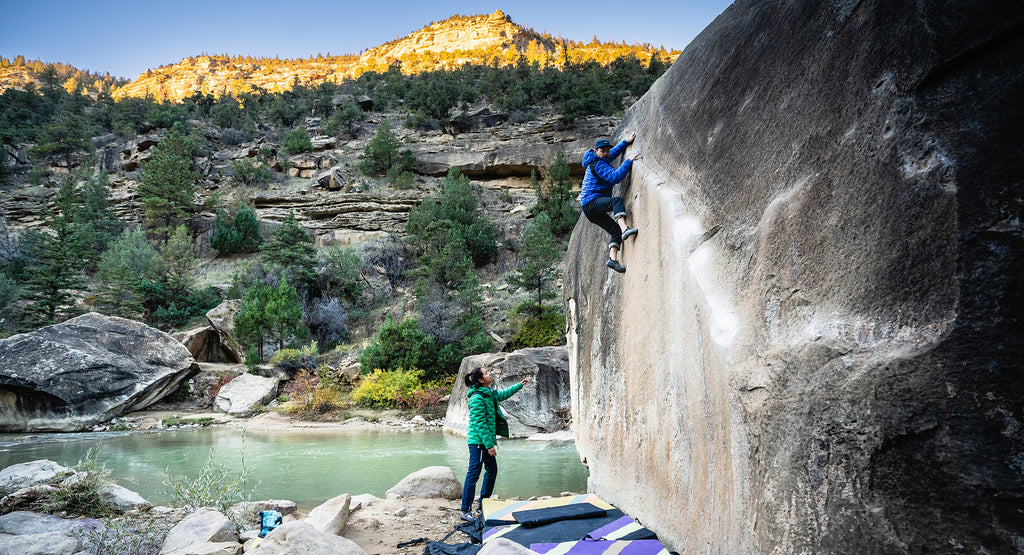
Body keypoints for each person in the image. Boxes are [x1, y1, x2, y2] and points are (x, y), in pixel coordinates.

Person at [459, 367, 529, 520]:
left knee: (492, 470)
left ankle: (484, 503)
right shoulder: (477, 398)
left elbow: (503, 394)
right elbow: (480, 424)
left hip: (485, 440)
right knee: (474, 474)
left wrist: (519, 385)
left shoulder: (489, 393)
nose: (489, 373)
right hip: (478, 442)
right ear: (480, 380)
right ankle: (465, 511)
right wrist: (490, 446)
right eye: (486, 373)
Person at [579, 132, 642, 273]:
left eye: (607, 150)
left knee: (614, 231)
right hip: (591, 202)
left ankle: (612, 260)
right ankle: (625, 229)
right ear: (596, 151)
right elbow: (615, 177)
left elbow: (612, 153)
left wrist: (625, 142)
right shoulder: (598, 164)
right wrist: (629, 161)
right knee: (616, 201)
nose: (606, 153)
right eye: (603, 151)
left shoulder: (600, 158)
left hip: (590, 208)